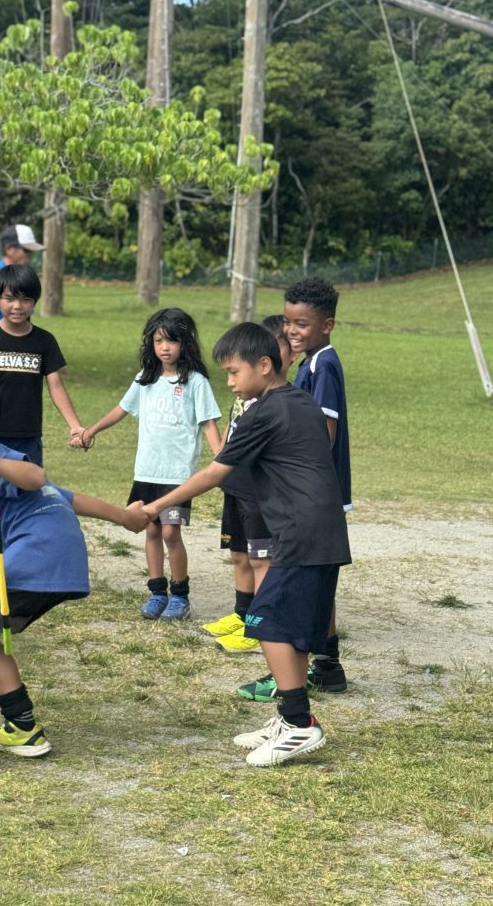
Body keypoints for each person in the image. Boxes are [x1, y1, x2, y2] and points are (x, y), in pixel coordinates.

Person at [142, 322, 351, 767]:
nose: (231, 383)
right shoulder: (297, 401)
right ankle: (291, 716)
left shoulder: (264, 411)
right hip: (318, 530)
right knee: (289, 629)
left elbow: (216, 471)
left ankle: (298, 726)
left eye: (235, 373)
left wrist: (152, 507)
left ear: (263, 365)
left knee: (267, 623)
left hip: (301, 533)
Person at [0, 371, 146, 768]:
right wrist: (125, 518)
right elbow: (67, 496)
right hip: (60, 564)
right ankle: (22, 726)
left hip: (32, 559)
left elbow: (37, 476)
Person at [238, 278, 351, 702]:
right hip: (313, 494)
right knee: (317, 581)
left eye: (301, 324)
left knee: (296, 590)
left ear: (327, 325)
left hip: (309, 495)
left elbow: (324, 433)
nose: (291, 331)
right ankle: (327, 664)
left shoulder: (322, 366)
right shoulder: (311, 363)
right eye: (287, 322)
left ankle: (297, 674)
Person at [76, 308, 222, 622]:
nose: (165, 347)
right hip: (146, 472)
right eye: (158, 341)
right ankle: (157, 592)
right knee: (151, 532)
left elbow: (209, 424)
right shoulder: (144, 380)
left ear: (185, 343)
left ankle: (180, 595)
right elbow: (121, 410)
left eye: (171, 340)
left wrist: (224, 461)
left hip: (178, 477)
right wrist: (91, 431)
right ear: (151, 344)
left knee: (171, 533)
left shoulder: (196, 382)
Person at [202, 316, 294, 654]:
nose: (231, 380)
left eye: (235, 371)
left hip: (259, 494)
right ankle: (242, 615)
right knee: (239, 554)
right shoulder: (243, 399)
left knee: (261, 560)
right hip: (235, 488)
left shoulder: (275, 405)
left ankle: (259, 624)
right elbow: (228, 440)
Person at [0, 264, 83, 466]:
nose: (17, 306)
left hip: (28, 436)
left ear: (34, 302)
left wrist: (75, 426)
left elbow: (56, 386)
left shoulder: (45, 341)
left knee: (28, 491)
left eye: (25, 299)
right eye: (9, 299)